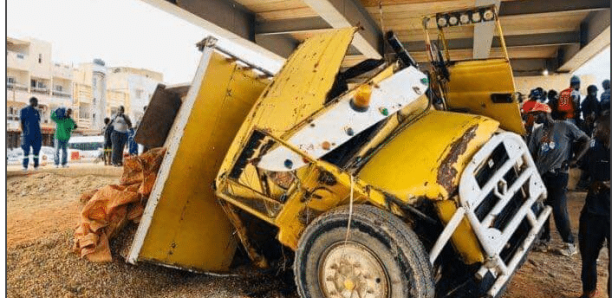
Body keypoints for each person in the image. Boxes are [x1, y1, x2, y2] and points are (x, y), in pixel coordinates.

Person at [527, 102, 590, 256]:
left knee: (559, 209)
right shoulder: (537, 132)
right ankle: (544, 240)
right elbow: (532, 153)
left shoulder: (565, 126)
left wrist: (575, 160)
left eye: (536, 114)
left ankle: (569, 244)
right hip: (542, 175)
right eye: (533, 114)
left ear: (545, 112)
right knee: (542, 208)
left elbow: (586, 140)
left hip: (559, 174)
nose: (534, 117)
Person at [577, 112, 610, 298]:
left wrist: (607, 183)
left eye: (599, 128)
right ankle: (589, 291)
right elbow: (582, 175)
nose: (595, 130)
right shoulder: (593, 148)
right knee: (588, 255)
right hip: (592, 210)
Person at [19, 97, 42, 171]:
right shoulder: (23, 110)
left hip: (36, 134)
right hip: (27, 134)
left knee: (36, 151)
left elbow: (38, 123)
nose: (37, 104)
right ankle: (25, 166)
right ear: (32, 102)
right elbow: (21, 123)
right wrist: (24, 133)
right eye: (36, 102)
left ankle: (36, 166)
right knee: (26, 151)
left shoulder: (36, 111)